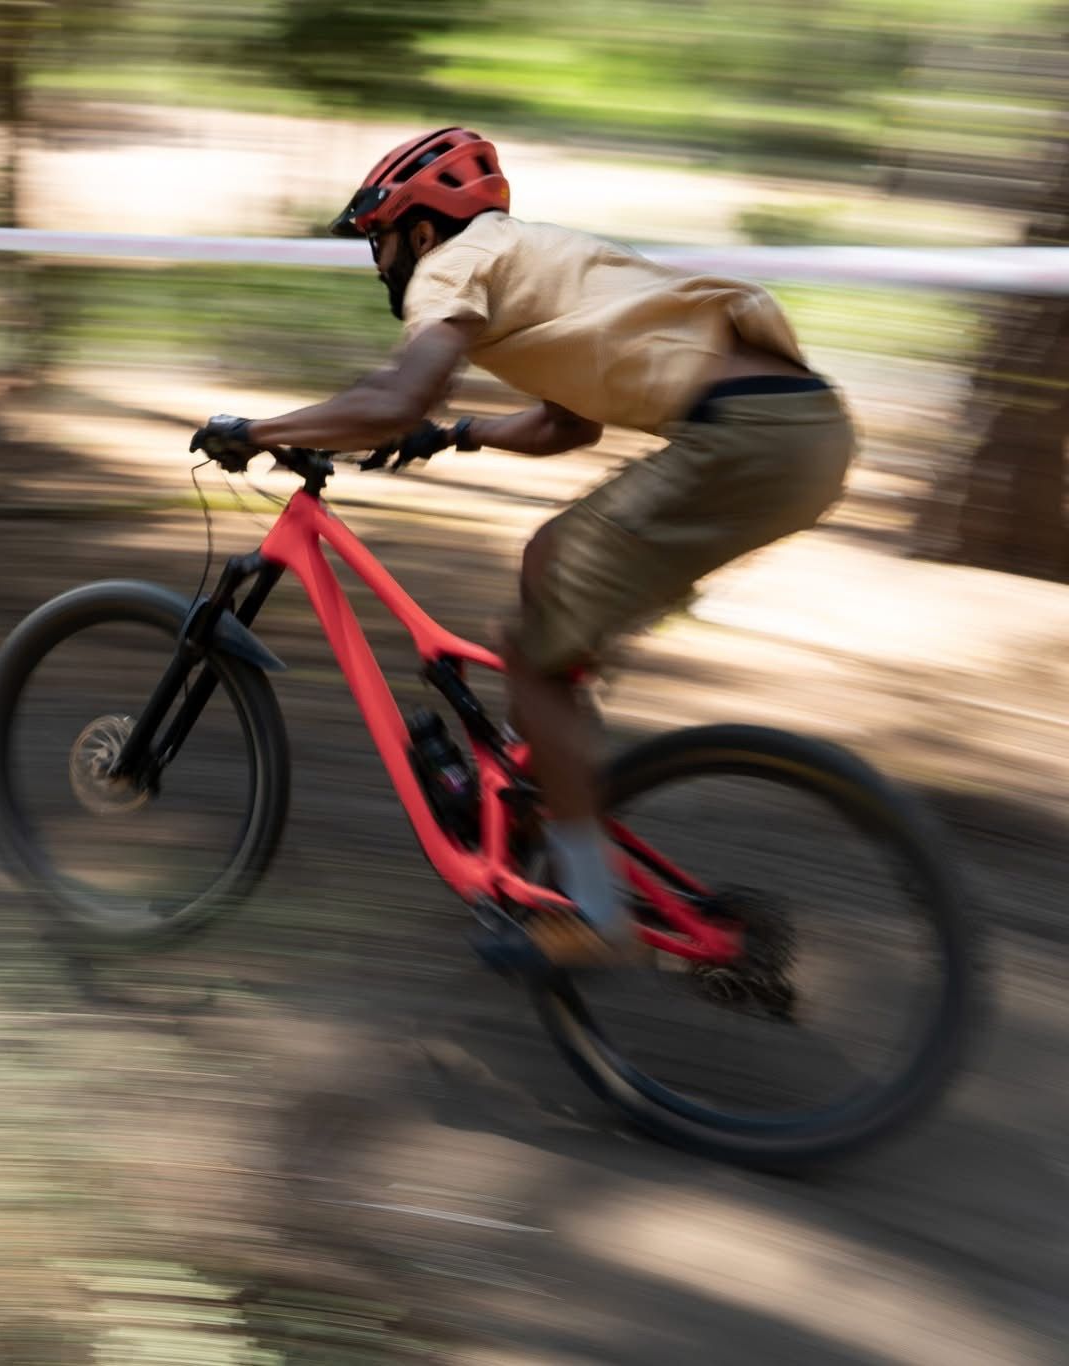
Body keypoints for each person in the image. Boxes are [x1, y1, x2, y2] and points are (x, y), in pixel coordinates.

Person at [190, 127, 855, 967]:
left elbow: (396, 395)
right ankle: (543, 798)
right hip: (805, 431)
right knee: (552, 589)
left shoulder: (451, 265)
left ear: (419, 232)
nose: (380, 264)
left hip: (747, 438)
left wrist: (255, 430)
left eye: (379, 242)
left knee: (537, 634)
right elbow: (567, 425)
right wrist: (457, 433)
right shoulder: (534, 257)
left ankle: (592, 913)